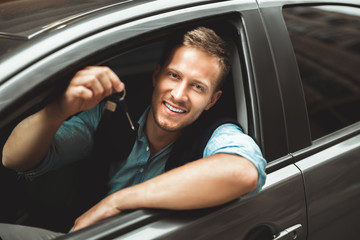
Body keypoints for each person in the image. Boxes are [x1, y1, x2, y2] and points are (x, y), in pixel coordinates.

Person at [1, 26, 266, 238]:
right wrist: (57, 110)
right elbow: (13, 158)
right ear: (156, 76)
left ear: (212, 100)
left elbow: (243, 171)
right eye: (174, 76)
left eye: (197, 87)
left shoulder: (216, 133)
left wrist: (117, 202)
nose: (179, 95)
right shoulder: (111, 114)